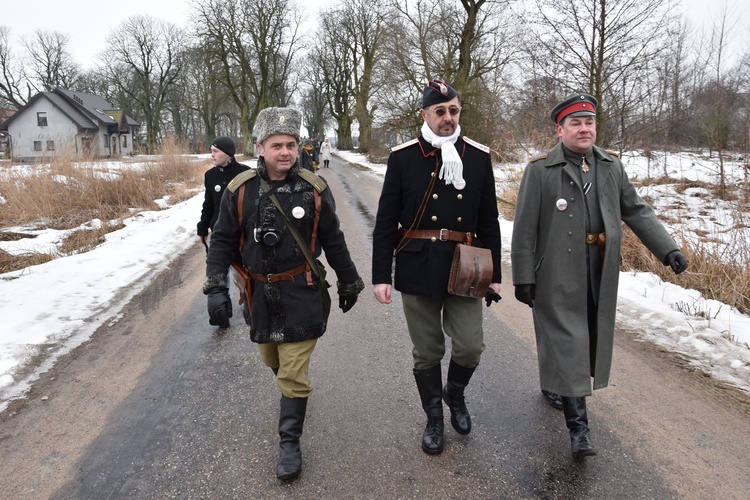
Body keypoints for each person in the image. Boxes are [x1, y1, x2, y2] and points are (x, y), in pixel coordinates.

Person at [511, 93, 688, 458]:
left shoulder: (611, 166)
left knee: (585, 336)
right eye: (575, 123)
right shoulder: (540, 170)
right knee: (569, 343)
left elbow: (637, 211)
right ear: (560, 130)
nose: (584, 129)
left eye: (589, 122)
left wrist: (668, 249)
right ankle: (580, 431)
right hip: (556, 273)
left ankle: (556, 384)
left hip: (599, 269)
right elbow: (524, 228)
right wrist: (523, 276)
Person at [203, 107, 364, 480]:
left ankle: (289, 443)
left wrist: (350, 279)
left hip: (301, 291)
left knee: (292, 370)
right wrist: (216, 288)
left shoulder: (313, 189)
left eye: (290, 144)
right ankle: (291, 389)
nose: (285, 152)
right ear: (260, 147)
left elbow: (333, 239)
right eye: (276, 145)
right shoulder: (239, 191)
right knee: (270, 358)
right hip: (259, 293)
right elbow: (223, 241)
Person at [372, 79, 502, 455]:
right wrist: (382, 274)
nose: (448, 118)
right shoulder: (404, 157)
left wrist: (494, 276)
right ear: (424, 114)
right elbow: (385, 222)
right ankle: (434, 418)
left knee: (469, 347)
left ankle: (454, 394)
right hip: (417, 263)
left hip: (466, 265)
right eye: (440, 111)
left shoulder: (477, 156)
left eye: (454, 110)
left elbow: (489, 220)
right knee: (427, 350)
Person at [196, 136, 250, 249]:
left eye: (215, 151)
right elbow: (209, 204)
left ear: (228, 153)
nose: (212, 155)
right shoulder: (210, 175)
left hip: (243, 234)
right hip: (218, 232)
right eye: (211, 151)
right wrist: (203, 227)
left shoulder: (246, 173)